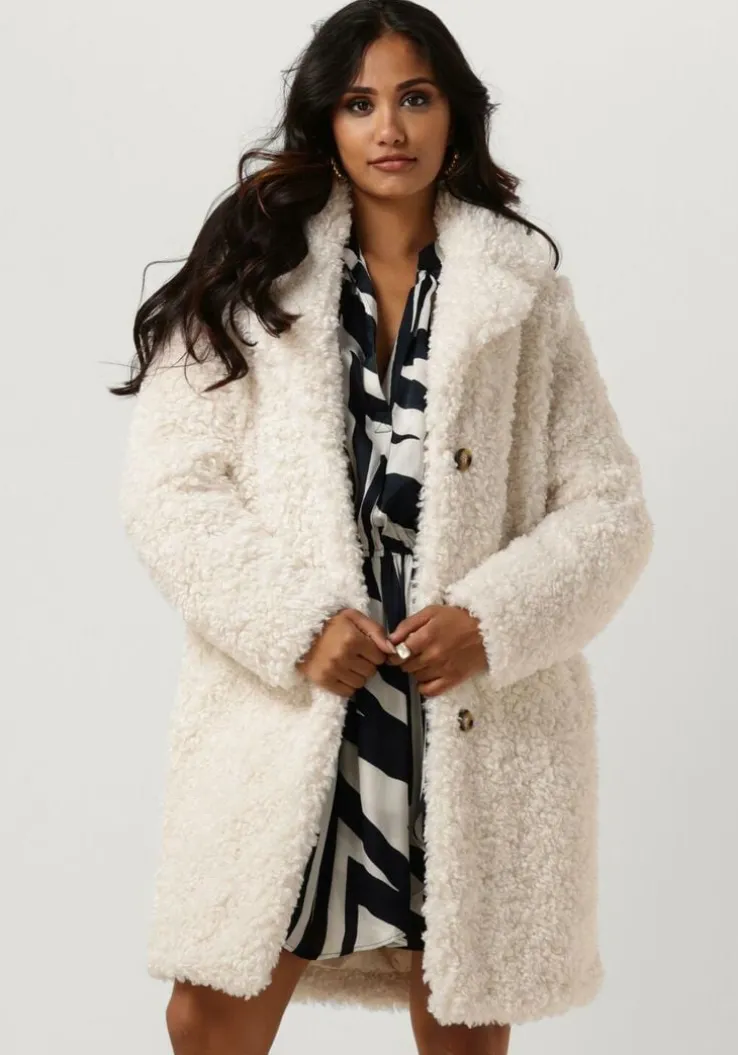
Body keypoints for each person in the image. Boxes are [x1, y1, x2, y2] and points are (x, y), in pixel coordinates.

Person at [112, 2, 654, 1053]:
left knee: (462, 1014)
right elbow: (169, 491)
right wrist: (296, 624)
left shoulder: (522, 292)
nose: (391, 127)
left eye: (415, 97)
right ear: (327, 121)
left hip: (462, 701)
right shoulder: (253, 274)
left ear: (455, 113)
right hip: (306, 691)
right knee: (211, 1011)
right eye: (360, 103)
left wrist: (492, 619)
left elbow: (609, 508)